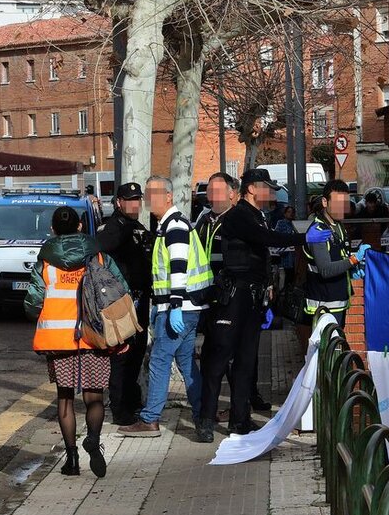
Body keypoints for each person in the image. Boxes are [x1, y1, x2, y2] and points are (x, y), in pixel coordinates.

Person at [195, 169, 313, 442]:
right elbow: (268, 241)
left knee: (247, 359)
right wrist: (304, 238)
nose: (271, 192)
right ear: (250, 190)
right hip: (232, 297)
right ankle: (205, 421)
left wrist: (268, 289)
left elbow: (263, 253)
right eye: (266, 187)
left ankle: (240, 420)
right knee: (218, 357)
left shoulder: (258, 216)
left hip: (252, 297)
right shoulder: (238, 216)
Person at [25, 206, 127, 477]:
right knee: (94, 397)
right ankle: (93, 438)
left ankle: (71, 460)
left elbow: (33, 301)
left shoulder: (45, 262)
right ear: (81, 227)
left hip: (59, 340)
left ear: (54, 230)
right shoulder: (100, 257)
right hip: (95, 337)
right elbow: (121, 289)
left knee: (65, 399)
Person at [120, 176, 210, 436]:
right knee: (185, 362)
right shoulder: (169, 226)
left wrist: (175, 306)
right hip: (185, 308)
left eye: (153, 193)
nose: (148, 199)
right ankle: (202, 417)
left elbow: (178, 266)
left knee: (159, 360)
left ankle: (150, 420)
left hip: (178, 309)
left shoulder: (175, 226)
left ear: (168, 196)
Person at [95, 182, 151, 426]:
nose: (134, 204)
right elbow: (101, 253)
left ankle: (131, 400)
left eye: (137, 199)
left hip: (140, 299)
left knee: (136, 353)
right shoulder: (114, 228)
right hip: (122, 302)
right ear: (118, 202)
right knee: (123, 357)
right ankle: (120, 410)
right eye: (129, 200)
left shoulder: (135, 226)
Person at [303, 179, 370, 330]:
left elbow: (339, 256)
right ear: (325, 202)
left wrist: (352, 269)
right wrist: (353, 260)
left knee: (337, 348)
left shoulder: (338, 226)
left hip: (338, 301)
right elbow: (326, 270)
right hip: (324, 305)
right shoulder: (318, 231)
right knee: (326, 351)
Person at [274, 205, 298, 292]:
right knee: (283, 276)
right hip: (284, 254)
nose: (291, 214)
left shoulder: (295, 224)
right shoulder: (281, 223)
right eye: (289, 212)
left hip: (294, 254)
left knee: (292, 275)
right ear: (285, 214)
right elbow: (276, 236)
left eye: (292, 212)